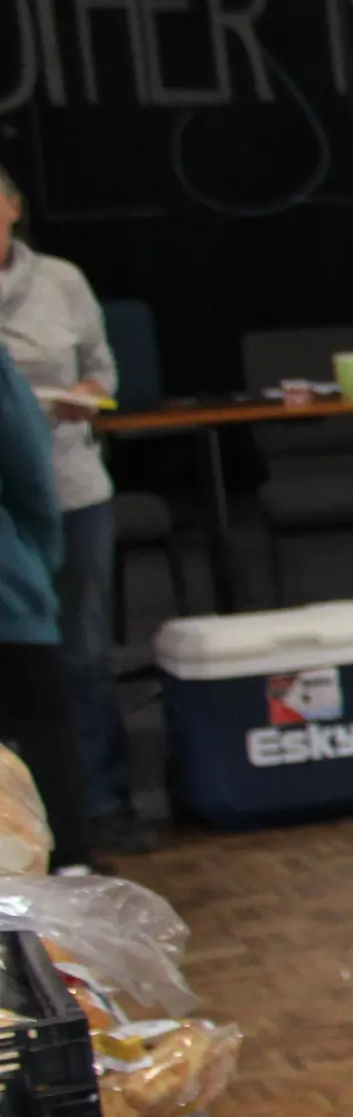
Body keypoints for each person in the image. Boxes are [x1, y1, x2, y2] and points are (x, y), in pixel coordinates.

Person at [0, 170, 129, 848]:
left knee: (77, 652)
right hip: (12, 526)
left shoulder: (60, 282)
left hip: (67, 487)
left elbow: (103, 370)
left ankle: (101, 809)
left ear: (15, 208)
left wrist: (87, 392)